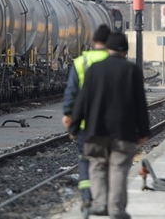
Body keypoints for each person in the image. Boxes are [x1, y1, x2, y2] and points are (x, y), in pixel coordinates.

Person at [69, 32, 150, 219]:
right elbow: (140, 104)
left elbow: (82, 101)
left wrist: (74, 128)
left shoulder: (94, 70)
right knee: (119, 168)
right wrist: (144, 131)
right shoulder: (132, 71)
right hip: (124, 132)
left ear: (108, 49)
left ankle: (99, 204)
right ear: (125, 51)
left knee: (97, 166)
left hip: (95, 130)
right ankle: (116, 210)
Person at [62, 24, 111, 212]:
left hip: (84, 124)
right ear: (109, 43)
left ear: (93, 42)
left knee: (85, 159)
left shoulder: (81, 62)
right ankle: (103, 196)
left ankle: (86, 196)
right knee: (104, 160)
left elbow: (71, 92)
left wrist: (68, 115)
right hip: (108, 124)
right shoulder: (115, 60)